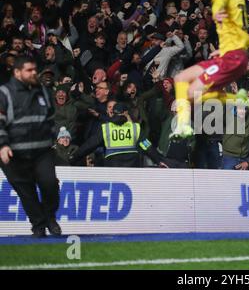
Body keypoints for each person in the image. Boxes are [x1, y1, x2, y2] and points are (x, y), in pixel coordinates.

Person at [171, 0, 249, 138]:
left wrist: (217, 11)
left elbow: (220, 3)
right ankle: (183, 124)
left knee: (191, 94)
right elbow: (245, 36)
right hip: (231, 56)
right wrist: (224, 49)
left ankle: (235, 99)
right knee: (180, 78)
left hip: (231, 59)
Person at [0, 56, 61, 238]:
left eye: (35, 69)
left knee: (50, 184)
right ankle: (38, 225)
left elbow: (51, 117)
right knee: (26, 192)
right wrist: (2, 145)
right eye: (29, 70)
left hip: (42, 151)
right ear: (17, 72)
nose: (34, 72)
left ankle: (50, 216)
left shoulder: (43, 90)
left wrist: (51, 136)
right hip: (13, 153)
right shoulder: (4, 93)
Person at [70, 103, 142, 167]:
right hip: (132, 169)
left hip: (113, 167)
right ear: (126, 113)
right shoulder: (134, 128)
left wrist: (74, 157)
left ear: (113, 112)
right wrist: (153, 157)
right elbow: (147, 146)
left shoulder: (107, 128)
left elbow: (90, 144)